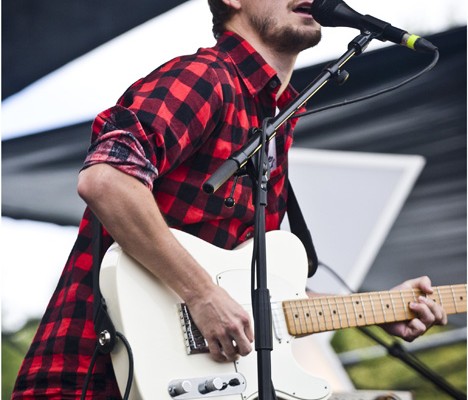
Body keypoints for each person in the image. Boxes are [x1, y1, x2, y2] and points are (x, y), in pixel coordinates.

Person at [12, 0, 448, 398]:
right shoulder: (204, 78)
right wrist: (202, 295)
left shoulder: (272, 123)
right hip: (89, 379)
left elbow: (252, 294)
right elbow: (107, 179)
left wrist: (376, 309)